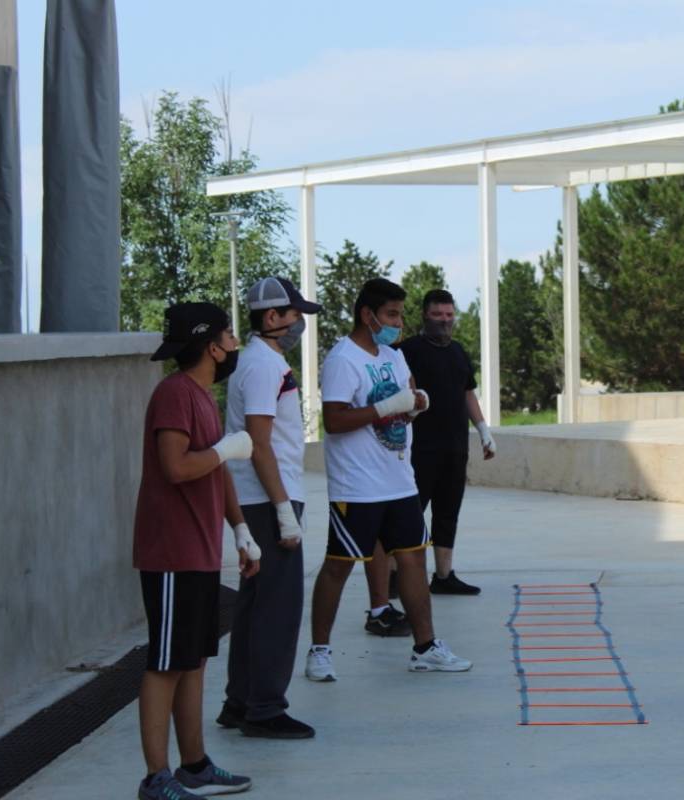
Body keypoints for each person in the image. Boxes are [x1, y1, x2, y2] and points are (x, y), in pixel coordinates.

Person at [305, 278, 473, 680]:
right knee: (339, 565)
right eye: (392, 315)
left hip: (400, 480)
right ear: (368, 315)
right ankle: (319, 651)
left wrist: (416, 404)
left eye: (400, 314)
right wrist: (386, 407)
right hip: (358, 485)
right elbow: (335, 419)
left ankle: (425, 647)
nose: (398, 323)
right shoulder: (343, 359)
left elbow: (410, 393)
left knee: (413, 560)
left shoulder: (393, 356)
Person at [134, 302, 258, 799]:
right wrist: (225, 449)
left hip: (202, 552)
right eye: (229, 335)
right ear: (211, 346)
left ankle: (194, 766)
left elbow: (215, 470)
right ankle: (156, 779)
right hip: (172, 553)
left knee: (193, 661)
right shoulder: (174, 395)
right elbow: (177, 467)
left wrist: (242, 531)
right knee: (166, 663)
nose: (234, 343)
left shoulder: (202, 396)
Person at [217, 277, 321, 739]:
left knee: (256, 606)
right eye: (293, 314)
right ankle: (264, 709)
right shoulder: (262, 366)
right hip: (267, 497)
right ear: (272, 317)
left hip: (260, 496)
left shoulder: (259, 360)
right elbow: (259, 444)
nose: (299, 323)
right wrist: (283, 509)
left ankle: (240, 702)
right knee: (278, 607)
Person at [361, 289, 495, 621]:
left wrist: (483, 430)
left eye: (449, 315)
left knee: (448, 511)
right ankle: (391, 577)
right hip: (417, 449)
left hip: (455, 446)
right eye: (438, 315)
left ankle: (444, 576)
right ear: (425, 315)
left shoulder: (459, 352)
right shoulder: (405, 351)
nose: (445, 321)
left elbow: (468, 393)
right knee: (407, 515)